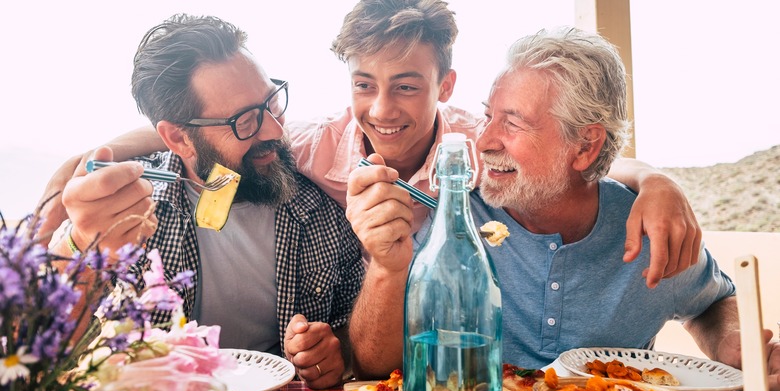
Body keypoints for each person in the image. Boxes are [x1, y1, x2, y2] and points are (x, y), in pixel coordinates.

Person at [37, 0, 701, 291]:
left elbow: (565, 156)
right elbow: (210, 140)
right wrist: (93, 158)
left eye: (408, 87)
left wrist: (656, 180)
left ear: (445, 86)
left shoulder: (476, 138)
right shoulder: (304, 142)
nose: (383, 110)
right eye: (364, 85)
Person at [345, 26, 780, 391]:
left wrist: (730, 342)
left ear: (586, 146)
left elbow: (712, 301)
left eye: (512, 123)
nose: (486, 141)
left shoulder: (647, 229)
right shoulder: (456, 222)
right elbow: (374, 365)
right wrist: (386, 266)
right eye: (488, 116)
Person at [49, 14, 364, 389]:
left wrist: (335, 352)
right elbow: (46, 352)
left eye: (272, 102)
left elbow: (351, 334)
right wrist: (81, 246)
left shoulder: (319, 208)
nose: (275, 129)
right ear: (178, 139)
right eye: (244, 122)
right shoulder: (124, 212)